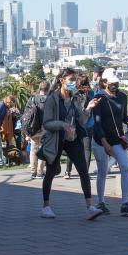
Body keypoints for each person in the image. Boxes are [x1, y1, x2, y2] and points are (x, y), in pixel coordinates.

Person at [38, 68, 102, 220]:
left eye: (75, 80)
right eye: (71, 80)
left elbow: (80, 120)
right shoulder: (52, 99)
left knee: (83, 170)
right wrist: (62, 124)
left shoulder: (74, 98)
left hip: (72, 138)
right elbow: (46, 123)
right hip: (56, 139)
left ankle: (90, 207)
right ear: (62, 81)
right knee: (51, 172)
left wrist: (88, 109)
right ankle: (46, 206)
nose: (73, 83)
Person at [92, 69, 128, 216]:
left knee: (125, 167)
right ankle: (101, 201)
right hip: (101, 139)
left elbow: (123, 116)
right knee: (102, 171)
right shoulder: (99, 98)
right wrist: (104, 143)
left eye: (117, 83)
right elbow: (97, 124)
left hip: (117, 138)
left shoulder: (122, 97)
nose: (115, 85)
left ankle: (125, 203)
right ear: (104, 83)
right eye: (112, 83)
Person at [65, 73, 94, 179]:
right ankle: (84, 173)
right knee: (87, 149)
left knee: (71, 147)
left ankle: (68, 171)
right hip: (88, 123)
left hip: (74, 122)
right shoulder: (91, 92)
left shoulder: (71, 88)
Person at [27, 80, 50, 179]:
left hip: (34, 127)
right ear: (48, 89)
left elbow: (27, 114)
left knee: (33, 149)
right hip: (46, 128)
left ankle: (33, 171)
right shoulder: (50, 99)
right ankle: (40, 172)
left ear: (40, 88)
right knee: (43, 149)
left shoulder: (32, 98)